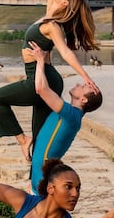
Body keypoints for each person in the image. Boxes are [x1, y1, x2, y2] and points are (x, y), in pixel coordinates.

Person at [0, 0, 99, 162]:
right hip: (43, 76)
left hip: (39, 78)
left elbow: (66, 52)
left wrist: (85, 75)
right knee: (40, 139)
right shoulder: (50, 13)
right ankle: (37, 184)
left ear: (66, 4)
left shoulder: (52, 26)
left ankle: (22, 140)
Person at [27, 39, 103, 194]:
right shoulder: (70, 114)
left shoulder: (71, 115)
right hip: (40, 176)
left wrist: (40, 61)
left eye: (83, 87)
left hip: (43, 178)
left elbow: (41, 89)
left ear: (83, 100)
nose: (78, 85)